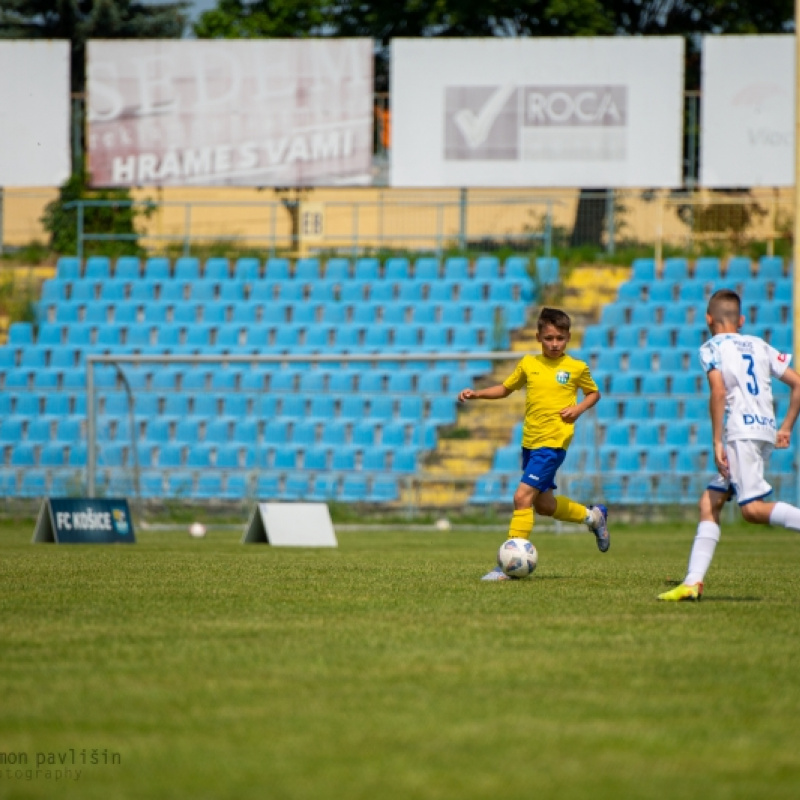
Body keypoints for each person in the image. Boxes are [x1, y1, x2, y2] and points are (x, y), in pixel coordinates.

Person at [658, 288, 800, 601]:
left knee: (751, 510)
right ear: (742, 320)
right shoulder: (760, 344)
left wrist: (716, 440)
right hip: (763, 429)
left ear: (708, 319)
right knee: (710, 502)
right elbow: (798, 382)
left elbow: (718, 392)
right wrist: (787, 426)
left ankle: (692, 582)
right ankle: (692, 583)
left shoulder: (711, 347)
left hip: (740, 433)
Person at [458, 306, 610, 581]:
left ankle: (506, 568)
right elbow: (505, 389)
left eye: (560, 338)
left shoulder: (576, 367)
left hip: (553, 444)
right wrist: (477, 393)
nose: (555, 344)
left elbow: (594, 393)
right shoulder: (529, 364)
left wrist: (577, 410)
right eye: (549, 338)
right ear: (538, 336)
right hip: (530, 443)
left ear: (568, 337)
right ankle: (594, 517)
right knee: (544, 505)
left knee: (521, 498)